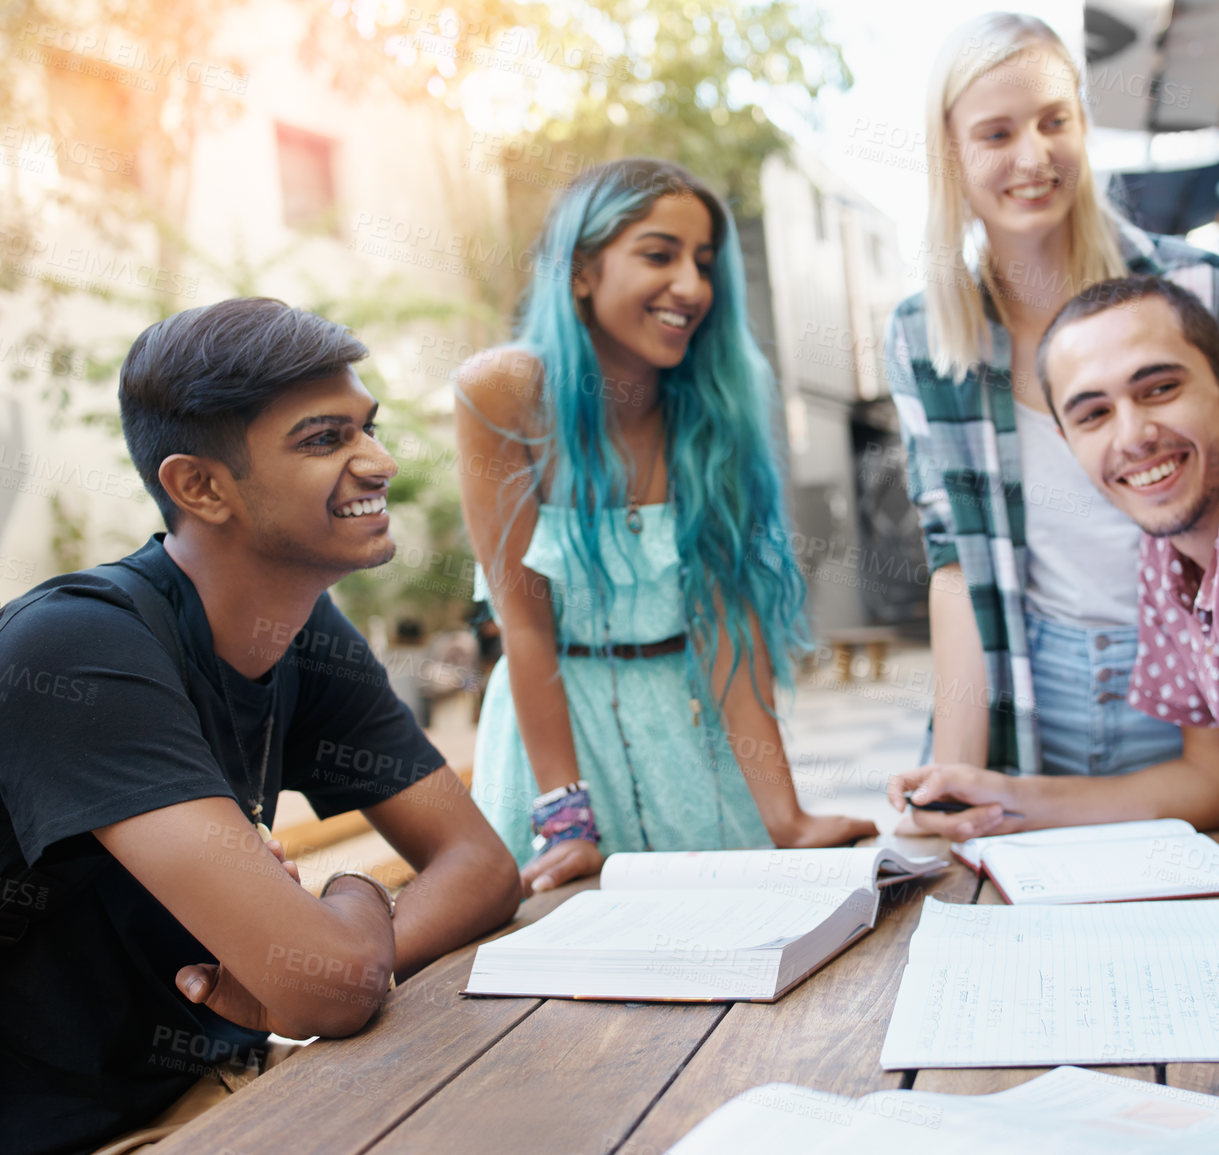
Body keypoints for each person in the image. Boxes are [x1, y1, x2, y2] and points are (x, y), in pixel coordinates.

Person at [0, 298, 522, 1155]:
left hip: (219, 1089)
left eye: (368, 429)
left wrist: (348, 943)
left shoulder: (303, 631)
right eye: (325, 440)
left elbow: (483, 867)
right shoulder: (78, 649)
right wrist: (352, 898)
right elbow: (328, 995)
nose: (379, 462)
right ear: (199, 486)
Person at [892, 277, 1219, 877]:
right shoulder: (1167, 544)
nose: (1134, 436)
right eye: (1093, 414)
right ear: (1067, 441)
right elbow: (1215, 778)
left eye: (1160, 389)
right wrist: (1005, 795)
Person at [886, 12, 1219, 791]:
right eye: (995, 134)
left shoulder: (1203, 290)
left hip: (1201, 678)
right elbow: (955, 567)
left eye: (1053, 121)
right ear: (951, 155)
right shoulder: (923, 337)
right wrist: (956, 774)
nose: (1032, 157)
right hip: (1034, 686)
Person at [456, 157, 876, 894]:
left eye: (704, 263)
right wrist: (565, 820)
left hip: (694, 739)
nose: (691, 286)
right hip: (557, 742)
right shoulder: (503, 390)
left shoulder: (718, 404)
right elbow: (523, 624)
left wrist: (787, 817)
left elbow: (726, 622)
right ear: (582, 270)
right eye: (659, 254)